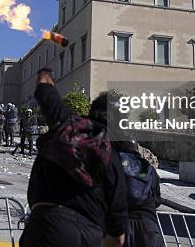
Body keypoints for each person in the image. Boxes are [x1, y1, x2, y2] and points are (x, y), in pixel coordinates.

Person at [20, 68, 127, 247]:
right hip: (88, 234)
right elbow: (118, 236)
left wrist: (47, 74)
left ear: (92, 110)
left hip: (45, 226)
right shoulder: (113, 157)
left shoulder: (67, 122)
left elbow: (44, 87)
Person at [89, 94, 164, 247]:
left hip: (118, 229)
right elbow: (156, 199)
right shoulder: (145, 167)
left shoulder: (110, 162)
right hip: (148, 228)